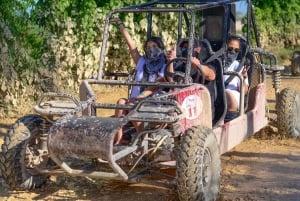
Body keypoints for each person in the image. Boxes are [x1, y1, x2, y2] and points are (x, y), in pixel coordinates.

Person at [111, 18, 166, 145]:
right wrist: (120, 25)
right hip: (134, 101)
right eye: (148, 47)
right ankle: (118, 139)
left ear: (161, 47)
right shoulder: (142, 62)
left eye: (154, 46)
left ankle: (143, 139)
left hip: (153, 103)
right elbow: (131, 46)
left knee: (132, 107)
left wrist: (139, 98)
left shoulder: (165, 64)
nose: (151, 49)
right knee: (120, 102)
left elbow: (156, 86)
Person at [166, 38, 216, 115]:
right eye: (183, 48)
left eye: (189, 48)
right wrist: (170, 61)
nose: (186, 51)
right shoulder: (179, 67)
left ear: (197, 50)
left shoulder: (206, 64)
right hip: (181, 107)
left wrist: (198, 66)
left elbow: (211, 75)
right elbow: (171, 80)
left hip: (202, 109)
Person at [223, 35, 249, 121]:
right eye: (230, 49)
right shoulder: (218, 62)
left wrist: (243, 78)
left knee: (228, 96)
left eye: (236, 50)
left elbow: (244, 91)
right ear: (225, 48)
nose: (233, 52)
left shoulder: (239, 66)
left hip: (233, 95)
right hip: (216, 92)